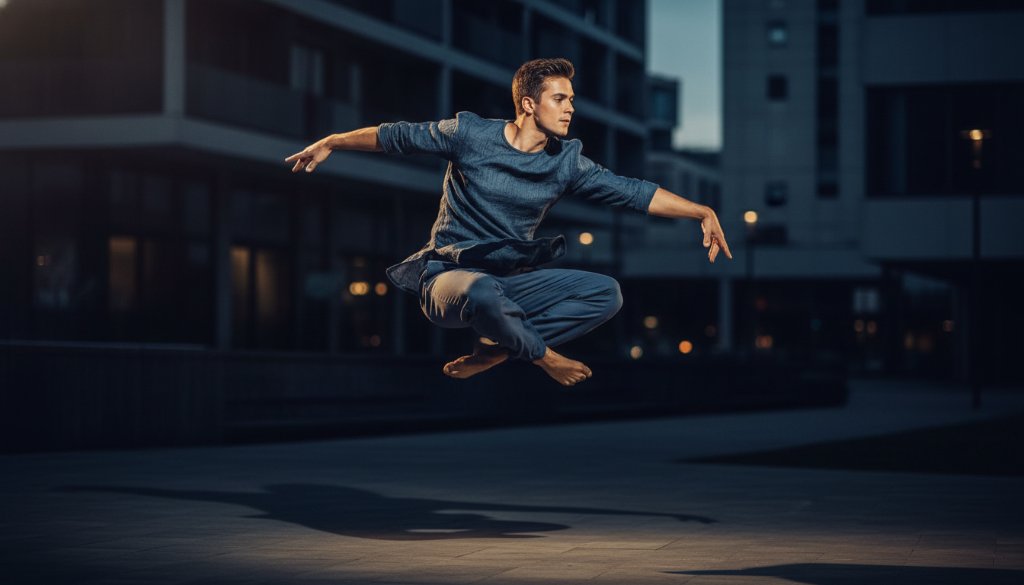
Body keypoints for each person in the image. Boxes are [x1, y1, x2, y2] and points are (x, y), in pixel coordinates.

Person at [285, 58, 732, 386]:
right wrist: (333, 141)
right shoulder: (469, 134)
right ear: (527, 103)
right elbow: (394, 136)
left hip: (509, 285)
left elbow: (633, 191)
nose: (570, 109)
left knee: (605, 293)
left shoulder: (567, 161)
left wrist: (702, 211)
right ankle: (539, 356)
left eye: (571, 100)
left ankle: (497, 351)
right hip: (449, 280)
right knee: (481, 291)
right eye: (559, 99)